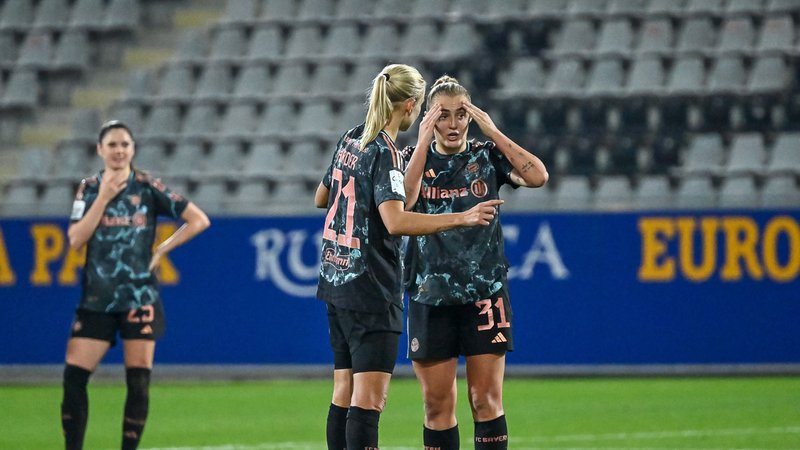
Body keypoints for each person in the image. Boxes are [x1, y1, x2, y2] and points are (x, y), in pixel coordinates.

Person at [314, 64, 503, 450]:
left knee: (343, 389)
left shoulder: (350, 139)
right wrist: (462, 217)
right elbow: (396, 221)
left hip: (335, 280)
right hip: (370, 285)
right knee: (369, 400)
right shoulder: (385, 150)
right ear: (413, 106)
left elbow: (321, 197)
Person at [402, 75, 549, 450]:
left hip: (484, 293)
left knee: (485, 400)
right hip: (428, 293)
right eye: (443, 116)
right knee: (437, 405)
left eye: (461, 115)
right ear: (428, 119)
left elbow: (537, 176)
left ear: (471, 117)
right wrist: (420, 141)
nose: (453, 125)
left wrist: (493, 130)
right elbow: (404, 201)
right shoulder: (410, 159)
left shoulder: (486, 156)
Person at [61, 121, 211, 450]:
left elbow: (198, 219)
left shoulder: (146, 187)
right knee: (74, 377)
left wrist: (161, 249)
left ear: (133, 149)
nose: (119, 150)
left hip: (139, 296)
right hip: (97, 298)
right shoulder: (88, 188)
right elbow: (75, 240)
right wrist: (103, 197)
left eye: (124, 144)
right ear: (100, 149)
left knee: (138, 381)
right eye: (112, 144)